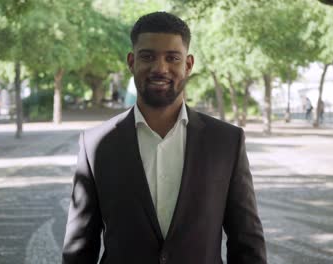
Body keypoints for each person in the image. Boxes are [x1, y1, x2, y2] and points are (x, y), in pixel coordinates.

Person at [62, 12, 267, 264]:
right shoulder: (96, 144)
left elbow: (247, 241)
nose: (160, 68)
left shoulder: (227, 142)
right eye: (148, 56)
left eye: (172, 58)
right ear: (131, 61)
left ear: (188, 64)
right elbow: (79, 247)